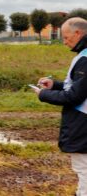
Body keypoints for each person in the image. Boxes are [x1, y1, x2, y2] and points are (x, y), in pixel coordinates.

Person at [32, 17, 87, 196]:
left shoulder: (85, 59)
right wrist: (54, 85)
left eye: (66, 37)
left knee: (84, 170)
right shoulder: (83, 55)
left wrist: (43, 95)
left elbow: (73, 96)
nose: (64, 42)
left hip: (83, 125)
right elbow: (78, 86)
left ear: (78, 33)